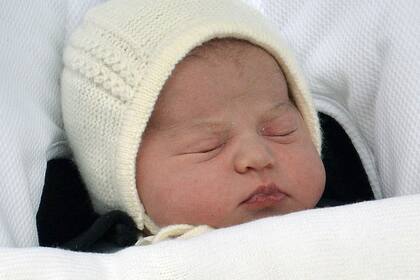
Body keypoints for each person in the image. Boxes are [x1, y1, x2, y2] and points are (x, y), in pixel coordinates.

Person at [61, 0, 325, 245]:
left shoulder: (357, 224)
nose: (257, 157)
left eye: (280, 130)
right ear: (124, 179)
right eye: (208, 146)